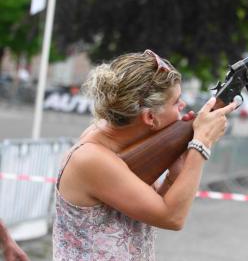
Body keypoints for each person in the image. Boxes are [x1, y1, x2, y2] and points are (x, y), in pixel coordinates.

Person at [52, 50, 237, 260]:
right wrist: (201, 144)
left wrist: (174, 175)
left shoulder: (110, 138)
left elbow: (153, 205)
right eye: (176, 102)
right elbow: (172, 218)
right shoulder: (91, 158)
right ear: (150, 117)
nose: (183, 106)